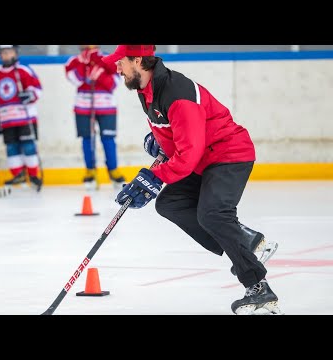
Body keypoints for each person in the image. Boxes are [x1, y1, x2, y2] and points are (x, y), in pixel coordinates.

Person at [102, 45, 281, 315]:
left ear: (138, 60)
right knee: (170, 203)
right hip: (204, 159)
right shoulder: (147, 89)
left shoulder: (177, 93)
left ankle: (258, 287)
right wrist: (160, 142)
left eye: (120, 62)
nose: (117, 68)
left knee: (214, 214)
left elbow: (187, 156)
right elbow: (181, 135)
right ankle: (246, 241)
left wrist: (152, 177)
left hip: (228, 153)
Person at [65, 45, 125, 190]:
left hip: (106, 106)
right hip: (83, 107)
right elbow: (75, 80)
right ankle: (90, 171)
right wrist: (83, 64)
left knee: (108, 138)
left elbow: (115, 84)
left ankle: (113, 170)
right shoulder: (73, 61)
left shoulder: (108, 59)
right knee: (87, 138)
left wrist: (100, 74)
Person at [0, 45, 43, 191]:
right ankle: (18, 174)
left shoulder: (24, 70)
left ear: (15, 53)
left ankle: (33, 175)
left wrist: (30, 95)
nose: (7, 55)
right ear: (0, 55)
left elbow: (37, 89)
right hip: (7, 119)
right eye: (4, 53)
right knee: (11, 147)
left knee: (28, 146)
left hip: (25, 118)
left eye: (9, 52)